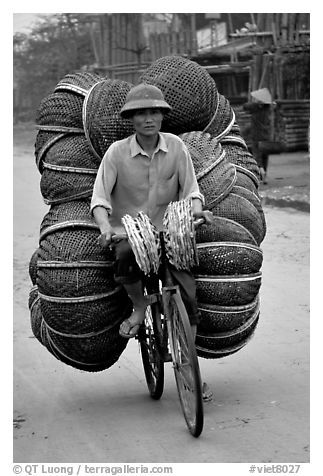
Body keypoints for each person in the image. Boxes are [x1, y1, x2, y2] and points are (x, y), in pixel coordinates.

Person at [91, 83, 213, 399]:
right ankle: (139, 305)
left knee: (187, 293)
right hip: (130, 231)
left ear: (162, 116)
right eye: (141, 113)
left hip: (171, 231)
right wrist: (106, 227)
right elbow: (100, 200)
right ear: (131, 119)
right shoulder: (116, 153)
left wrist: (198, 211)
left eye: (154, 112)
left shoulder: (176, 148)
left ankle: (192, 366)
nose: (149, 118)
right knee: (125, 254)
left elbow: (192, 190)